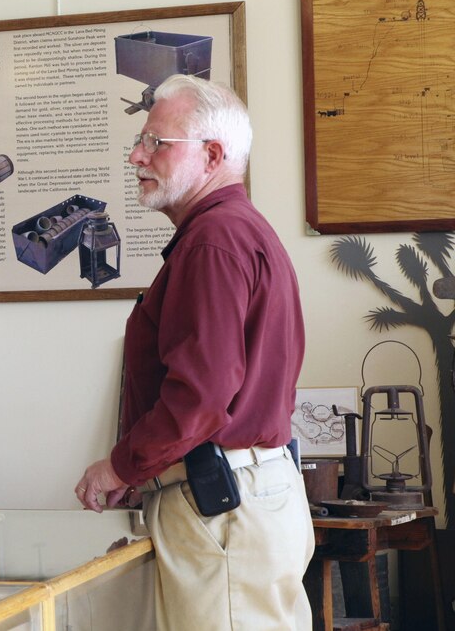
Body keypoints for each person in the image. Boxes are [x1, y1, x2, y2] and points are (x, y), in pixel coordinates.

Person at [74, 74, 314, 630]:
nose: (137, 155)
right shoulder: (237, 232)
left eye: (157, 142)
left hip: (222, 507)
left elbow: (200, 398)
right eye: (140, 141)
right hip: (247, 498)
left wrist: (119, 466)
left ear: (211, 155)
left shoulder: (214, 241)